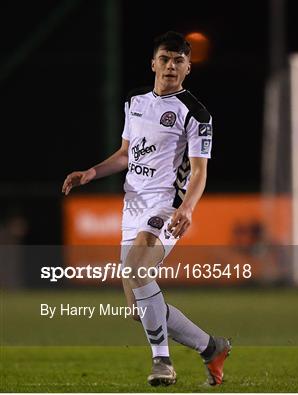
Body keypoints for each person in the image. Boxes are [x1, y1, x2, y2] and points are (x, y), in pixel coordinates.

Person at [62, 31, 230, 387]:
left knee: (138, 268)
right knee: (139, 310)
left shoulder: (196, 114)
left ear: (188, 69)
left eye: (179, 61)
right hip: (132, 206)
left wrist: (187, 208)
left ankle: (162, 362)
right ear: (153, 62)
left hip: (166, 206)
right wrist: (91, 173)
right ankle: (211, 347)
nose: (171, 66)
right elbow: (125, 154)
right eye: (165, 59)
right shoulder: (135, 100)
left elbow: (199, 172)